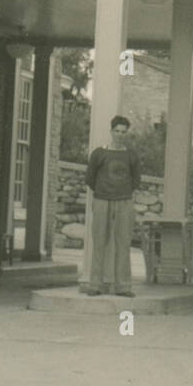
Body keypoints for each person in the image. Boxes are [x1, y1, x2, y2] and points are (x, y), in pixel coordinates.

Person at [82, 116, 140, 296]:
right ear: (111, 131)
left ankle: (123, 286)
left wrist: (123, 192)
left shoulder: (131, 155)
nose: (120, 135)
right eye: (117, 131)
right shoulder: (99, 153)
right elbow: (90, 178)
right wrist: (102, 191)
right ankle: (95, 285)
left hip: (124, 201)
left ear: (126, 134)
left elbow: (136, 179)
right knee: (99, 242)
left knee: (123, 243)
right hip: (102, 200)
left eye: (124, 132)